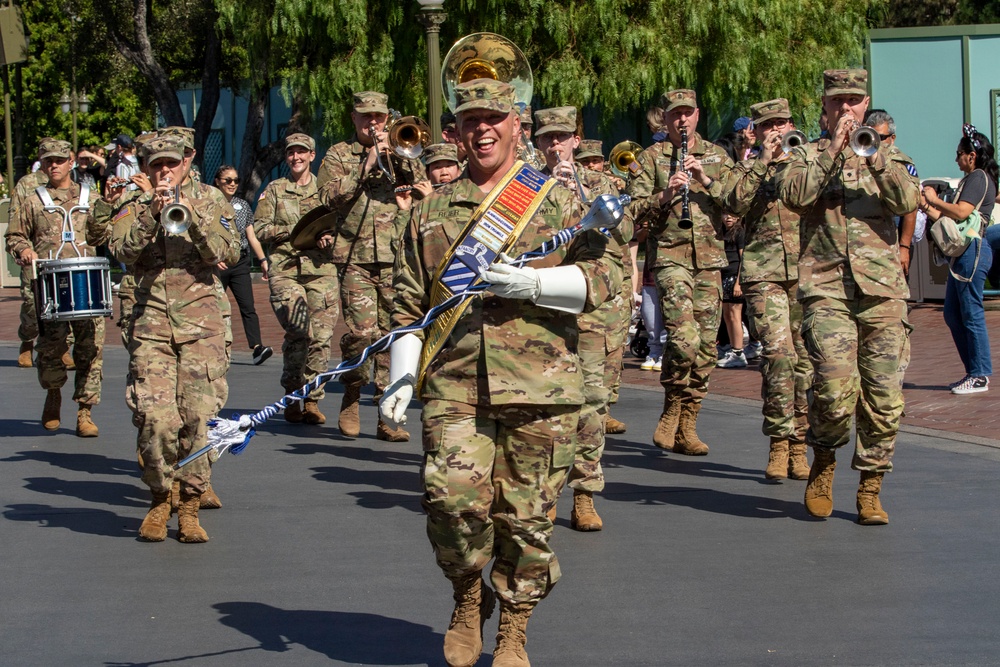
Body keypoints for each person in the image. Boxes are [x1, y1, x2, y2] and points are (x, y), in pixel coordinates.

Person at [380, 77, 620, 667]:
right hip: (454, 383)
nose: (481, 128)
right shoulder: (431, 212)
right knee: (450, 501)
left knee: (528, 519)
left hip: (544, 389)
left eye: (493, 118)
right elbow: (408, 304)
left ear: (518, 125)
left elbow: (609, 283)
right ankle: (468, 596)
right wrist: (401, 374)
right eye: (469, 120)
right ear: (456, 132)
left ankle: (514, 625)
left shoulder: (560, 201)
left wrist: (536, 283)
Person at [777, 69, 919, 524]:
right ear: (824, 106)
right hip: (827, 288)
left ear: (865, 103)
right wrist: (834, 151)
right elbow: (794, 195)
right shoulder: (807, 155)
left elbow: (908, 200)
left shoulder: (890, 155)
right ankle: (824, 460)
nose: (845, 109)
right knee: (835, 390)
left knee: (884, 397)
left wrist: (873, 155)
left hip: (881, 292)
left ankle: (871, 486)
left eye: (854, 101)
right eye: (837, 102)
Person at [110, 135, 239, 543]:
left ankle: (189, 504)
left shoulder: (213, 199)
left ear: (187, 161)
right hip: (150, 322)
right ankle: (160, 497)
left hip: (202, 322)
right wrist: (152, 212)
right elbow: (121, 250)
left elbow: (229, 253)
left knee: (199, 417)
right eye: (155, 165)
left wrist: (192, 219)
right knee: (155, 418)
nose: (164, 171)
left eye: (171, 164)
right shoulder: (134, 202)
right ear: (146, 167)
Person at [534, 106, 630, 530]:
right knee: (545, 405)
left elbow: (623, 236)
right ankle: (546, 492)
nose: (555, 146)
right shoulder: (524, 185)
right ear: (538, 144)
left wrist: (579, 195)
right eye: (546, 139)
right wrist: (547, 196)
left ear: (576, 140)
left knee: (591, 403)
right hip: (542, 309)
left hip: (592, 308)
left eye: (561, 137)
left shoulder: (606, 184)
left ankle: (586, 493)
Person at [627, 88, 735, 456]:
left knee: (706, 347)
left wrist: (705, 179)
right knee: (684, 337)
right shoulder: (651, 158)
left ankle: (689, 421)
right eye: (675, 115)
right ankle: (673, 402)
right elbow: (633, 212)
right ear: (666, 118)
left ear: (698, 115)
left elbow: (737, 203)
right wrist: (664, 194)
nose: (682, 120)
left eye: (688, 113)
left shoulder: (718, 156)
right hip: (671, 257)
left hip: (709, 260)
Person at [317, 91, 427, 442]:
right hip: (355, 257)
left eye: (379, 117)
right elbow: (327, 197)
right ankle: (351, 391)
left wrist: (401, 156)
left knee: (392, 334)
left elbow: (423, 187)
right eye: (366, 117)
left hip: (398, 255)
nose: (373, 123)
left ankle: (385, 411)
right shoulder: (338, 154)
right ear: (354, 119)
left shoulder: (402, 148)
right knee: (363, 335)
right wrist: (365, 166)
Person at [724, 98, 811, 480]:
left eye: (781, 122)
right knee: (779, 356)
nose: (776, 129)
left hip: (808, 272)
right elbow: (733, 203)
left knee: (806, 364)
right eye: (767, 125)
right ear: (755, 131)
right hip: (765, 272)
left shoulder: (805, 160)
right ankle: (779, 441)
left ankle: (799, 444)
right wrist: (763, 160)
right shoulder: (746, 167)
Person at [5, 139, 109, 436]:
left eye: (60, 160)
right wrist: (24, 250)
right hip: (50, 284)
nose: (54, 165)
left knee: (91, 349)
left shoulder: (89, 195)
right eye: (48, 160)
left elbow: (102, 234)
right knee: (51, 349)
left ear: (71, 161)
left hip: (86, 283)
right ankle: (53, 393)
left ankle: (85, 412)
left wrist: (107, 208)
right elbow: (15, 235)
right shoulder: (34, 199)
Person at [254, 133, 338, 424]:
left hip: (321, 271)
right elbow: (260, 228)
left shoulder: (326, 191)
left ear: (313, 155)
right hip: (286, 270)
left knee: (322, 337)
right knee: (299, 332)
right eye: (291, 153)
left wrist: (328, 236)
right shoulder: (275, 190)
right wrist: (295, 231)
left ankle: (313, 400)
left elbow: (343, 225)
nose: (296, 157)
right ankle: (292, 396)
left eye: (302, 152)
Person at [921, 124, 997, 395]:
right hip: (962, 252)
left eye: (959, 154)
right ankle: (972, 372)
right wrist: (926, 205)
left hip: (973, 250)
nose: (956, 159)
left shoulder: (978, 177)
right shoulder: (971, 179)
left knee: (971, 313)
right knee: (953, 314)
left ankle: (980, 375)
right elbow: (948, 221)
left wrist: (934, 199)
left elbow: (962, 213)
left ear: (972, 156)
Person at [213, 164, 273, 366]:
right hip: (218, 263)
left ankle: (257, 347)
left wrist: (263, 260)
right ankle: (214, 348)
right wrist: (213, 257)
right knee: (215, 307)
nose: (232, 184)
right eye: (227, 180)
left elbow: (252, 237)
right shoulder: (209, 204)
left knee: (248, 306)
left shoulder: (243, 206)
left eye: (235, 180)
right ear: (217, 182)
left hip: (240, 262)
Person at [865, 109, 924, 279]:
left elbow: (910, 208)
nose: (876, 142)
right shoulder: (862, 159)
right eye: (872, 136)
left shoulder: (901, 163)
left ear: (892, 138)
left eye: (881, 138)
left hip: (893, 240)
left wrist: (904, 247)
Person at [7, 168, 51, 368]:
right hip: (33, 253)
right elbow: (15, 220)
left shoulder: (75, 184)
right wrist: (20, 250)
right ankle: (27, 338)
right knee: (33, 302)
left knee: (66, 301)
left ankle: (64, 348)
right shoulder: (27, 183)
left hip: (62, 253)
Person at [716, 213, 747, 368]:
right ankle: (730, 348)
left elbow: (743, 258)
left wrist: (738, 282)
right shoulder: (722, 232)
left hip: (734, 276)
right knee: (727, 315)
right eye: (725, 214)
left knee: (735, 315)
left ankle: (738, 351)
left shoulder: (740, 232)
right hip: (723, 275)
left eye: (732, 215)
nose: (728, 217)